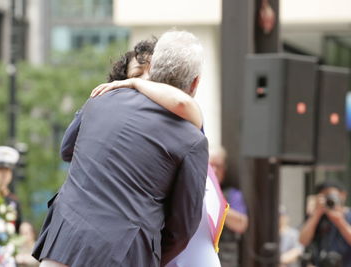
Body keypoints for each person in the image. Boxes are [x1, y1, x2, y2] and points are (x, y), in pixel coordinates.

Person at [32, 30, 209, 267]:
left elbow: (67, 149)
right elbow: (182, 229)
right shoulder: (193, 139)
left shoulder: (102, 97)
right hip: (127, 255)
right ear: (195, 83)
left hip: (63, 244)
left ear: (152, 66)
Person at [90, 40, 227, 266]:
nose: (145, 81)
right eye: (136, 74)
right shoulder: (110, 122)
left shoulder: (186, 124)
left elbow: (184, 222)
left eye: (150, 73)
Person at [209, 147, 248, 267]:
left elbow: (241, 225)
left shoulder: (233, 195)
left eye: (218, 166)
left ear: (224, 170)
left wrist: (215, 200)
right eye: (210, 166)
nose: (214, 170)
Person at [299, 181, 351, 267]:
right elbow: (303, 241)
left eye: (332, 195)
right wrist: (316, 214)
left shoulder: (349, 215)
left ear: (343, 195)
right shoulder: (317, 216)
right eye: (325, 197)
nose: (329, 199)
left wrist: (339, 221)